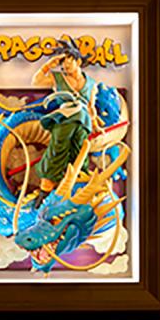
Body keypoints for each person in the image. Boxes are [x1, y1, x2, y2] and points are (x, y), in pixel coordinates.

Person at [30, 38, 101, 205]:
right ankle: (45, 191)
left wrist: (96, 126)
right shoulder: (58, 78)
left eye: (68, 63)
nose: (65, 68)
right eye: (63, 65)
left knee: (80, 154)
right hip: (65, 119)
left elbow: (91, 107)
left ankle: (76, 191)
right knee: (56, 151)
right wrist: (48, 65)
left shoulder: (91, 84)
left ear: (78, 61)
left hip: (83, 123)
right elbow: (36, 81)